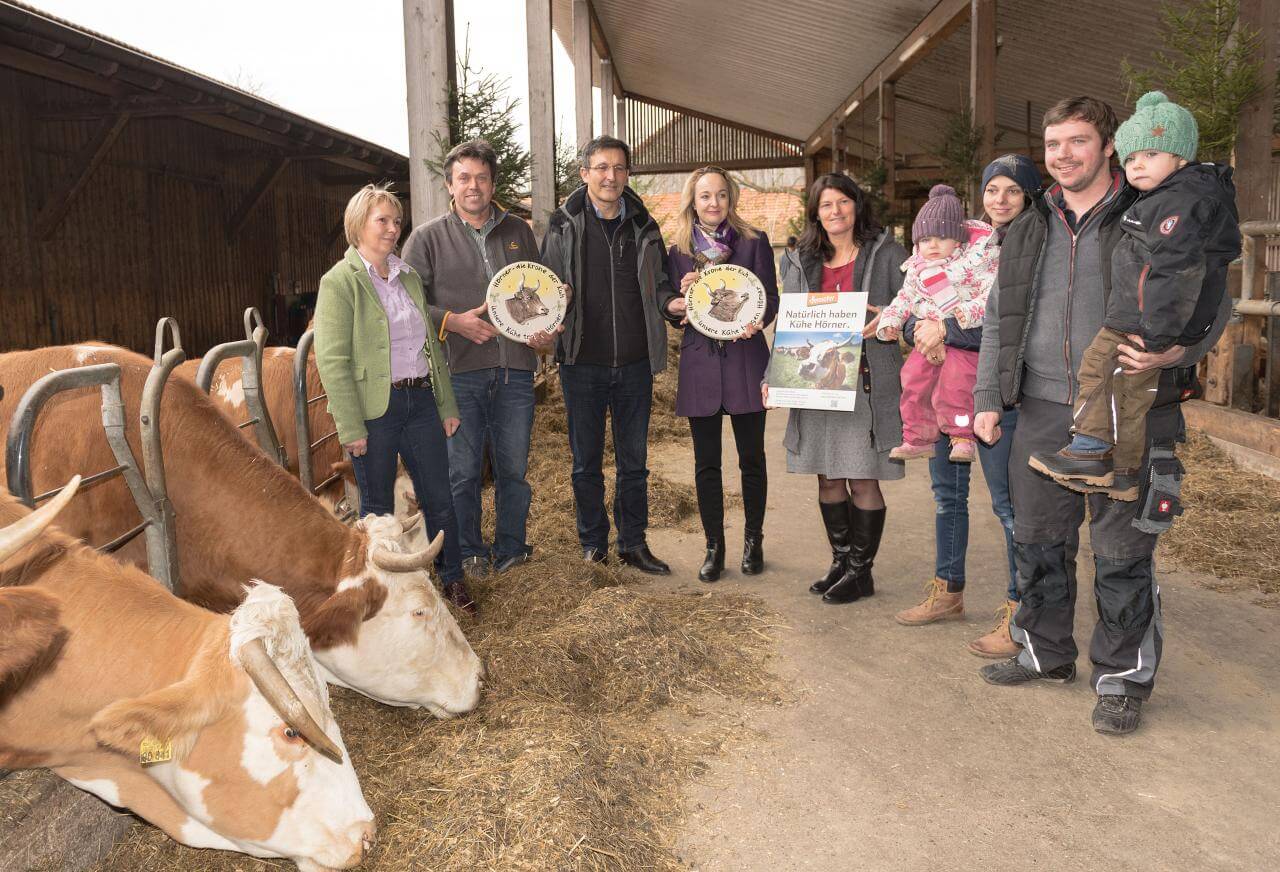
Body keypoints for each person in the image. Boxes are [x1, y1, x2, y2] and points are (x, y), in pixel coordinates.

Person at [971, 97, 1232, 734]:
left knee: (1121, 551)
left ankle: (1121, 679)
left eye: (1077, 141)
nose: (1063, 155)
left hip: (1128, 409)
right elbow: (1001, 318)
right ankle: (1044, 651)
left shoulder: (1150, 209)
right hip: (1039, 405)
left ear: (1108, 145)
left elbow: (1210, 294)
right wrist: (986, 397)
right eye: (1052, 143)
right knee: (1037, 541)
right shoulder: (1031, 221)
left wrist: (1181, 349)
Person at [1029, 93, 1241, 499]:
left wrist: (1164, 342)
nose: (1137, 165)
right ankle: (1122, 471)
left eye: (1150, 153)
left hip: (1143, 327)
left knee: (1104, 374)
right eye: (1132, 159)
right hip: (1126, 333)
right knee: (1126, 393)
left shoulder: (1176, 204)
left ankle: (1092, 452)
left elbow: (1180, 274)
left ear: (1179, 157)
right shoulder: (1156, 201)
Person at [893, 155, 1042, 658]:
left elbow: (1015, 320)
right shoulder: (963, 244)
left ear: (1029, 196)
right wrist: (919, 331)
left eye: (1012, 192)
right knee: (947, 494)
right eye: (992, 190)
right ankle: (948, 589)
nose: (1001, 200)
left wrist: (944, 330)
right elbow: (919, 306)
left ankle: (1020, 608)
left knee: (1007, 504)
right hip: (949, 387)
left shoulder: (1031, 241)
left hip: (999, 392)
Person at [402, 139, 560, 579]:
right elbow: (406, 303)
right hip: (459, 374)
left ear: (493, 184)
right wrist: (452, 321)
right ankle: (469, 551)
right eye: (464, 178)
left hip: (514, 371)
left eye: (482, 178)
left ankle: (511, 548)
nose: (474, 186)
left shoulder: (519, 232)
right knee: (463, 471)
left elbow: (538, 291)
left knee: (514, 468)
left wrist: (542, 330)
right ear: (450, 185)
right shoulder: (427, 238)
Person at [314, 184, 472, 613]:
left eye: (396, 220)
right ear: (358, 225)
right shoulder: (340, 282)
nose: (392, 228)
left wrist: (446, 405)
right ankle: (383, 597)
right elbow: (332, 360)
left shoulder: (407, 276)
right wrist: (351, 426)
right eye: (381, 220)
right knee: (378, 510)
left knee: (440, 497)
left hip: (419, 401)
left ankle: (454, 580)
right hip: (375, 411)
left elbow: (430, 347)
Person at [539, 135, 677, 573]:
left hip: (635, 363)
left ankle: (633, 543)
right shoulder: (562, 225)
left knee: (635, 463)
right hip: (582, 362)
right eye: (601, 167)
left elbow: (660, 289)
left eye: (618, 168)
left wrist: (678, 304)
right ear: (584, 173)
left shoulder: (645, 227)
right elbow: (545, 287)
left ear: (627, 174)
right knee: (586, 464)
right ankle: (593, 545)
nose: (610, 176)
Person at [767, 173, 907, 605]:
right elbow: (789, 325)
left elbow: (914, 306)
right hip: (816, 386)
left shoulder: (888, 255)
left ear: (856, 205)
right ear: (816, 213)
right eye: (826, 205)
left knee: (862, 478)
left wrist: (887, 316)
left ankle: (861, 572)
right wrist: (773, 379)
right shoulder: (799, 260)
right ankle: (842, 561)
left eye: (843, 202)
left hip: (865, 385)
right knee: (828, 477)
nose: (835, 212)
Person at [662, 166, 779, 582]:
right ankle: (714, 546)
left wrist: (757, 319)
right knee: (706, 463)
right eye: (705, 196)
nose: (714, 203)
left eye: (721, 195)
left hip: (746, 361)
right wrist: (678, 302)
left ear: (731, 199)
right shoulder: (676, 248)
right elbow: (666, 297)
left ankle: (754, 540)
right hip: (700, 364)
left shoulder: (754, 242)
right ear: (693, 201)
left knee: (752, 460)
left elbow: (769, 299)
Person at [876, 185, 998, 464]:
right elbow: (904, 298)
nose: (932, 245)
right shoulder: (916, 269)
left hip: (962, 339)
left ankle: (962, 435)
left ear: (957, 240)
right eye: (926, 239)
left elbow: (990, 298)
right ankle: (917, 436)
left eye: (942, 237)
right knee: (912, 381)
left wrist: (960, 316)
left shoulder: (976, 264)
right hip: (925, 340)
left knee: (956, 386)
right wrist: (891, 321)